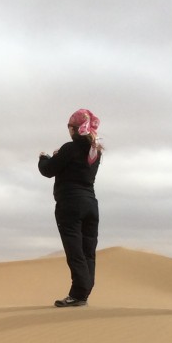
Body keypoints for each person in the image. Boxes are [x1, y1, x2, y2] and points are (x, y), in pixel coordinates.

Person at [39, 108, 104, 307]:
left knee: (75, 251)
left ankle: (78, 293)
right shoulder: (95, 150)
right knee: (88, 251)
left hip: (70, 205)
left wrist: (44, 157)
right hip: (91, 205)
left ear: (74, 129)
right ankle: (83, 292)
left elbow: (48, 170)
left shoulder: (70, 148)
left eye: (69, 127)